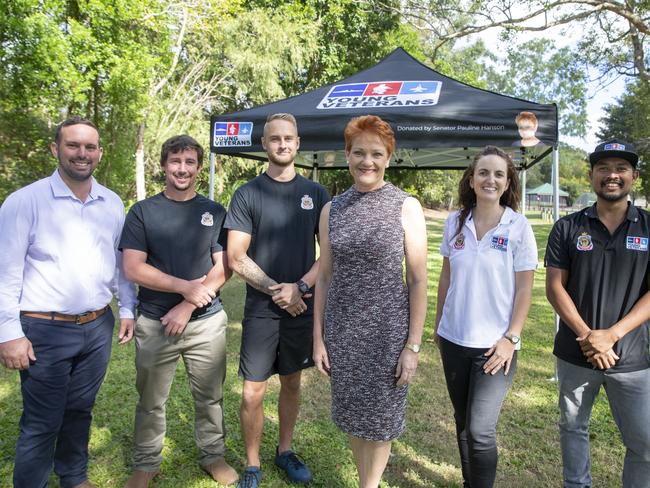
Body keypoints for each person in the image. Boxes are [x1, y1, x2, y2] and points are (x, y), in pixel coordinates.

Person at [0, 116, 137, 488]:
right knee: (42, 422)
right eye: (73, 145)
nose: (82, 153)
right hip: (43, 329)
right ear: (55, 149)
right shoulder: (24, 202)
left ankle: (74, 478)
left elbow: (118, 265)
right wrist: (8, 333)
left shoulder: (111, 202)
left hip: (96, 325)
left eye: (90, 147)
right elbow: (5, 274)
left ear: (99, 153)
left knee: (79, 410)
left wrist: (126, 308)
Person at [313, 115, 428, 488]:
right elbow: (325, 277)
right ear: (346, 155)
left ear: (388, 158)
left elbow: (417, 279)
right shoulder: (333, 210)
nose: (367, 161)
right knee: (351, 418)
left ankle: (370, 485)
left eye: (376, 153)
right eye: (359, 152)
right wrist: (318, 338)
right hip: (344, 335)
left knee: (380, 422)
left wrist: (412, 345)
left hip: (387, 336)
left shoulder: (405, 206)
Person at [119, 135, 238, 487]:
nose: (182, 169)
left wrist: (187, 304)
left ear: (199, 168)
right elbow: (133, 268)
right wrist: (184, 286)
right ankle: (146, 463)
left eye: (189, 162)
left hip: (206, 323)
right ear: (164, 165)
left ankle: (213, 456)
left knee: (210, 397)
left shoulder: (214, 211)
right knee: (151, 400)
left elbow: (224, 267)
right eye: (175, 161)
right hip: (155, 323)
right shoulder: (142, 212)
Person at [225, 113, 330, 488]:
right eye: (274, 139)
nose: (282, 144)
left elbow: (328, 254)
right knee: (253, 390)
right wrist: (278, 290)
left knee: (291, 382)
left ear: (298, 143)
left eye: (288, 138)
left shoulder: (317, 195)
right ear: (264, 145)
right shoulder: (247, 194)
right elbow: (236, 256)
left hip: (301, 305)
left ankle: (284, 451)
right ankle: (252, 465)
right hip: (262, 310)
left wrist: (299, 287)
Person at [545, 139, 650, 488]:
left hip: (632, 357)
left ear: (634, 176)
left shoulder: (649, 227)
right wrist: (590, 336)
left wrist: (612, 335)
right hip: (577, 353)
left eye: (620, 168)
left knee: (644, 444)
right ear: (591, 176)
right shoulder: (568, 227)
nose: (612, 175)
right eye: (603, 168)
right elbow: (555, 287)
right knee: (573, 429)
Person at [435, 146, 537, 488]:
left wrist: (511, 339)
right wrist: (438, 326)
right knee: (462, 422)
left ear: (508, 183)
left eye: (498, 174)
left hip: (495, 347)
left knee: (480, 430)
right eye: (483, 172)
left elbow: (525, 290)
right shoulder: (454, 222)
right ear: (472, 179)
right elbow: (445, 278)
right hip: (453, 339)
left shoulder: (519, 226)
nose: (490, 179)